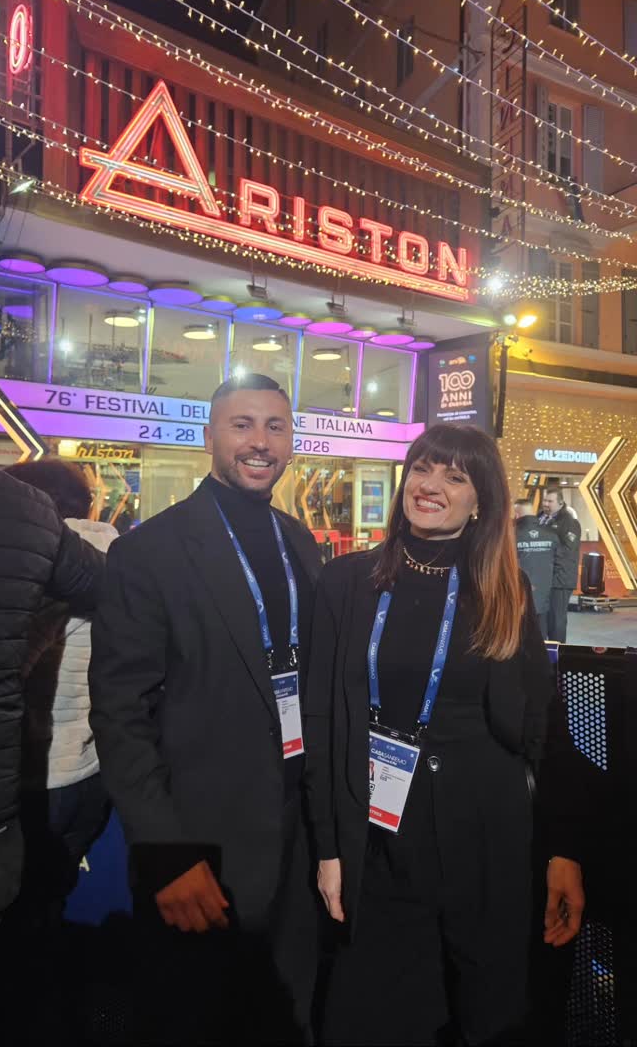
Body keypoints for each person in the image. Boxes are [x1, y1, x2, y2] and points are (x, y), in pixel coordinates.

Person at [304, 424, 586, 1047]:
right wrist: (329, 847)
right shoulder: (347, 582)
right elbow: (320, 720)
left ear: (481, 500)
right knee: (370, 1015)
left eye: (455, 477)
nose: (430, 486)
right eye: (423, 469)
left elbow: (544, 725)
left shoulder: (504, 588)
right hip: (381, 840)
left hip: (486, 837)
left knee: (488, 1016)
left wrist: (562, 850)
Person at [89, 373, 322, 1044]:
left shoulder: (298, 541)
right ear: (209, 436)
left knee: (284, 1018)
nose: (260, 442)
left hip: (296, 837)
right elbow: (120, 714)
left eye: (275, 426)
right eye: (242, 425)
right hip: (203, 848)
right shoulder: (149, 552)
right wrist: (167, 855)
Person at [3, 459, 117, 925]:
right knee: (53, 903)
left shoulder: (45, 566)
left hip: (40, 776)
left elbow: (16, 665)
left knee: (21, 911)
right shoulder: (116, 561)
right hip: (91, 768)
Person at [540, 488, 582, 643]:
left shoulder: (570, 522)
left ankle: (558, 652)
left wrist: (543, 549)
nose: (546, 504)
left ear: (560, 503)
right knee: (542, 620)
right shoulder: (540, 518)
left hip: (560, 579)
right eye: (544, 500)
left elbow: (567, 550)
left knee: (556, 620)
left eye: (550, 501)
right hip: (544, 578)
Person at [514, 498, 556, 639]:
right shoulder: (551, 534)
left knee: (520, 634)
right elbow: (559, 561)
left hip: (520, 592)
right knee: (541, 632)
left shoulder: (510, 535)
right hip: (544, 592)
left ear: (517, 514)